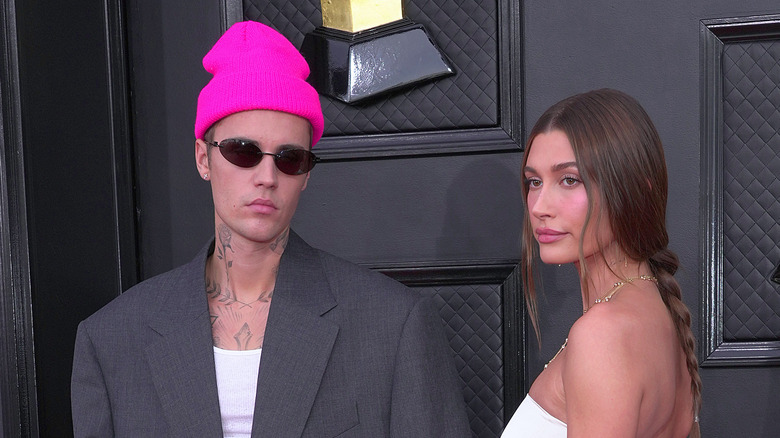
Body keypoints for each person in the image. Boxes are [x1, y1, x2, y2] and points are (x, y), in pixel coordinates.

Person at [71, 21, 471, 437]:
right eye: (242, 151)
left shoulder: (392, 324)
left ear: (306, 175)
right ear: (203, 158)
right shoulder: (111, 340)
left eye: (289, 158)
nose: (266, 176)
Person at [502, 89, 701, 437]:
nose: (538, 207)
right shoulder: (659, 313)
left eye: (569, 179)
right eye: (534, 181)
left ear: (635, 191)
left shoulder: (602, 335)